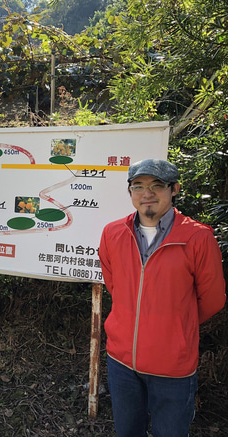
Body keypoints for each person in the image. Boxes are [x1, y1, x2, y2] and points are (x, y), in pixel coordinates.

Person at [99, 159, 226, 436]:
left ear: (174, 189)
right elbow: (115, 286)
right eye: (139, 186)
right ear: (130, 191)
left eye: (157, 185)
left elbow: (213, 299)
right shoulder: (112, 234)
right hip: (122, 362)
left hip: (173, 368)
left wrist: (177, 326)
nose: (147, 193)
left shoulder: (197, 238)